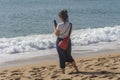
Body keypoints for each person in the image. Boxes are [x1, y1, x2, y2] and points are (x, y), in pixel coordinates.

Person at [53, 9, 78, 74]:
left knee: (61, 57)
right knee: (69, 56)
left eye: (59, 17)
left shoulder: (59, 25)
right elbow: (69, 33)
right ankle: (76, 69)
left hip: (60, 41)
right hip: (67, 41)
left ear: (61, 17)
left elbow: (56, 34)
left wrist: (54, 26)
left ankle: (63, 72)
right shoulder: (70, 25)